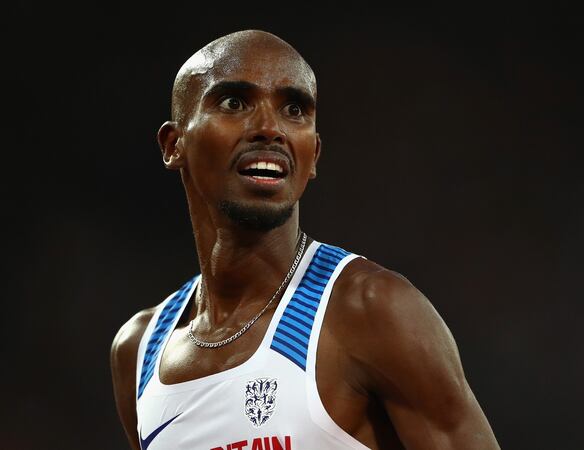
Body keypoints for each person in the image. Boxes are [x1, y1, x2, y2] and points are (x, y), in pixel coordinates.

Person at [110, 29, 500, 450]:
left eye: (293, 109)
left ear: (312, 154)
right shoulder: (139, 351)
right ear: (174, 145)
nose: (269, 128)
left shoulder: (371, 311)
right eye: (234, 102)